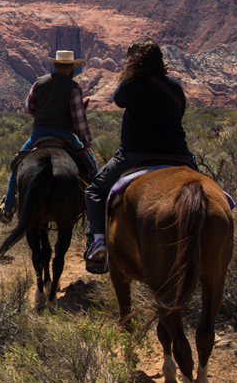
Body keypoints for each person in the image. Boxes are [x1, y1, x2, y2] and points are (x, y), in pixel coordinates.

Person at [84, 38, 197, 274]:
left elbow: (118, 100)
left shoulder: (131, 85)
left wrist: (130, 75)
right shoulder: (175, 86)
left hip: (136, 156)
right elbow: (180, 112)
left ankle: (99, 243)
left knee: (94, 191)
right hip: (179, 155)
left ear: (134, 61)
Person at [0, 50, 98, 223]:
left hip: (38, 134)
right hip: (65, 134)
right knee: (92, 168)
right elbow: (79, 120)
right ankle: (96, 209)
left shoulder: (39, 83)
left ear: (55, 64)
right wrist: (86, 143)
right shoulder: (74, 88)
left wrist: (42, 114)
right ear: (72, 66)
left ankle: (8, 209)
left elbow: (29, 108)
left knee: (16, 165)